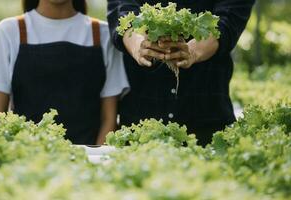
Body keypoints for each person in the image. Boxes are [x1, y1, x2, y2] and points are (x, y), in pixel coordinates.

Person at [0, 0, 129, 145]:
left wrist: (94, 164)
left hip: (88, 162)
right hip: (25, 162)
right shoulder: (8, 32)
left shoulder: (103, 35)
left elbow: (108, 120)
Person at [107, 0, 255, 146]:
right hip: (140, 116)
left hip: (206, 115)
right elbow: (123, 14)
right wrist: (138, 45)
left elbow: (228, 19)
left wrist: (194, 51)